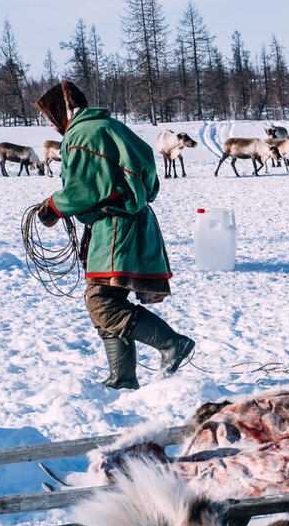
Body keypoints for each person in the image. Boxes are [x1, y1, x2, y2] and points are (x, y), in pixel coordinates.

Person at [34, 80, 195, 389]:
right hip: (130, 222)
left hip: (114, 227)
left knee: (102, 302)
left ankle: (172, 344)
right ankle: (122, 378)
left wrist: (54, 206)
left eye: (51, 117)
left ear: (60, 112)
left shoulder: (81, 135)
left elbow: (83, 189)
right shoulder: (110, 126)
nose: (52, 126)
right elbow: (147, 170)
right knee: (108, 297)